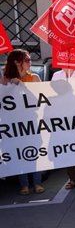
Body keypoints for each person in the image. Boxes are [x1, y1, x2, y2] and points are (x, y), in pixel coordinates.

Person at [2, 49, 44, 194]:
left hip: (32, 122)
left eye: (29, 60)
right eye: (26, 60)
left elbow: (39, 99)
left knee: (35, 153)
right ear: (16, 62)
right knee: (19, 153)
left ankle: (37, 183)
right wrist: (8, 83)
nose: (29, 62)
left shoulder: (34, 78)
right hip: (13, 124)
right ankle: (24, 185)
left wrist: (22, 85)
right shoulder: (5, 79)